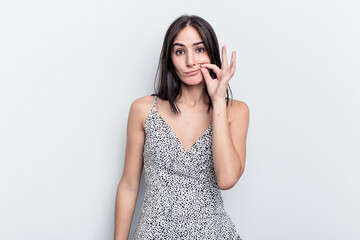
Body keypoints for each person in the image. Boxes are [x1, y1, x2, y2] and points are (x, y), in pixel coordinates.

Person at [114, 14, 250, 240]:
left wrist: (218, 101)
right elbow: (128, 186)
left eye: (199, 49)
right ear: (169, 58)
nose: (190, 61)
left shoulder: (236, 111)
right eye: (180, 51)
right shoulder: (143, 109)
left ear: (211, 53)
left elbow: (227, 179)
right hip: (153, 234)